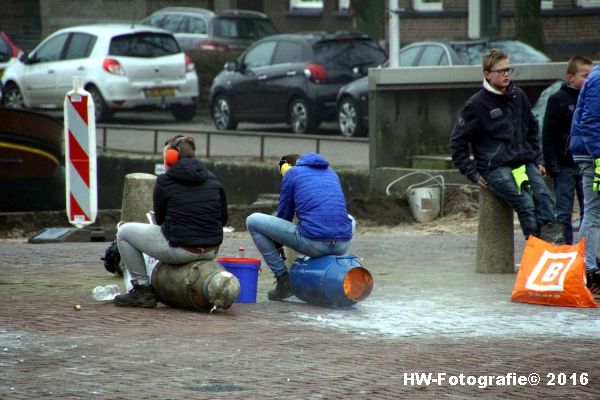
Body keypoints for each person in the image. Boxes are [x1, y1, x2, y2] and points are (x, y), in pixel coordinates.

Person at [450, 48, 564, 243]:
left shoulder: (518, 95)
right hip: (495, 166)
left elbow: (532, 128)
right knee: (525, 203)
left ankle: (552, 246)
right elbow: (457, 142)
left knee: (544, 197)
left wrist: (537, 158)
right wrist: (473, 173)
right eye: (501, 71)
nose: (506, 74)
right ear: (487, 74)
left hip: (523, 160)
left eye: (508, 69)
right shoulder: (476, 104)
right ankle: (534, 249)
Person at [114, 135, 228, 307]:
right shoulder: (212, 178)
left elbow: (159, 220)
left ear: (171, 158)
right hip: (211, 250)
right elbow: (223, 218)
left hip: (183, 250)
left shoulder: (165, 181)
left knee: (124, 233)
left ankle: (142, 290)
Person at [246, 152, 354, 301]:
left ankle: (283, 280)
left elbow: (284, 214)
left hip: (313, 244)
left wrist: (277, 244)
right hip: (342, 244)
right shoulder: (332, 173)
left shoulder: (292, 174)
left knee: (253, 221)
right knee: (350, 219)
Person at [543, 56, 593, 244]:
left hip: (586, 164)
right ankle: (565, 250)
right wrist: (551, 164)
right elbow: (548, 134)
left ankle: (585, 250)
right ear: (570, 77)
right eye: (585, 75)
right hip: (564, 165)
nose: (589, 80)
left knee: (588, 210)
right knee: (563, 211)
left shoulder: (591, 99)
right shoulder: (557, 99)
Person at [569, 61, 600, 295]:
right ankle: (590, 271)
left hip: (591, 151)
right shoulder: (598, 80)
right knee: (594, 211)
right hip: (592, 154)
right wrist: (598, 154)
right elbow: (590, 121)